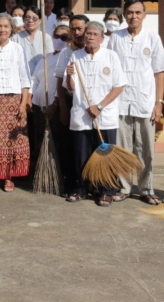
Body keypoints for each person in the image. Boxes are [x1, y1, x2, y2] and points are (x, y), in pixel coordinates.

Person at [108, 0, 164, 205]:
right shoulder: (115, 38)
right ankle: (124, 186)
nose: (134, 16)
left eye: (138, 12)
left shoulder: (152, 38)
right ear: (124, 15)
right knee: (122, 148)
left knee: (145, 149)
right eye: (130, 13)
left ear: (144, 15)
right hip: (120, 102)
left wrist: (159, 102)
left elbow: (159, 72)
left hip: (145, 102)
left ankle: (146, 188)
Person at [65, 21, 126, 206]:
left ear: (101, 37)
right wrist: (69, 76)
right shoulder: (75, 56)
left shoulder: (111, 56)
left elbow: (119, 86)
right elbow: (70, 88)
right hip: (81, 116)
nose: (90, 37)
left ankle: (106, 190)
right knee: (81, 154)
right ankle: (82, 188)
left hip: (104, 116)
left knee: (105, 155)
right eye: (88, 34)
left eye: (94, 34)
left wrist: (99, 106)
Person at [0, 14, 31, 192]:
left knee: (13, 141)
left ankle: (9, 176)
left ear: (12, 29)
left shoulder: (17, 49)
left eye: (6, 27)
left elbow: (25, 78)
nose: (2, 30)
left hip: (14, 99)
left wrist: (23, 104)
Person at [54, 14, 87, 193]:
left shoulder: (96, 49)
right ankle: (72, 182)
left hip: (91, 103)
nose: (77, 32)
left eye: (80, 28)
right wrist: (63, 109)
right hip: (70, 100)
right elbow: (59, 82)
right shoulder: (67, 52)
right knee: (69, 145)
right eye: (73, 29)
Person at [29, 24, 68, 169]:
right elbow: (34, 79)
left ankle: (56, 170)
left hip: (54, 106)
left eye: (63, 37)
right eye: (56, 36)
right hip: (39, 104)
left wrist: (55, 103)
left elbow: (63, 83)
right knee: (39, 138)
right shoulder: (45, 58)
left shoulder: (68, 56)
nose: (59, 39)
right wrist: (30, 98)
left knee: (55, 140)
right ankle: (41, 169)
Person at [16, 5, 54, 75]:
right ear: (23, 20)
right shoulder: (16, 37)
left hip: (41, 78)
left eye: (34, 18)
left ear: (40, 20)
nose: (30, 20)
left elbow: (50, 60)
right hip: (22, 78)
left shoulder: (46, 38)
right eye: (27, 17)